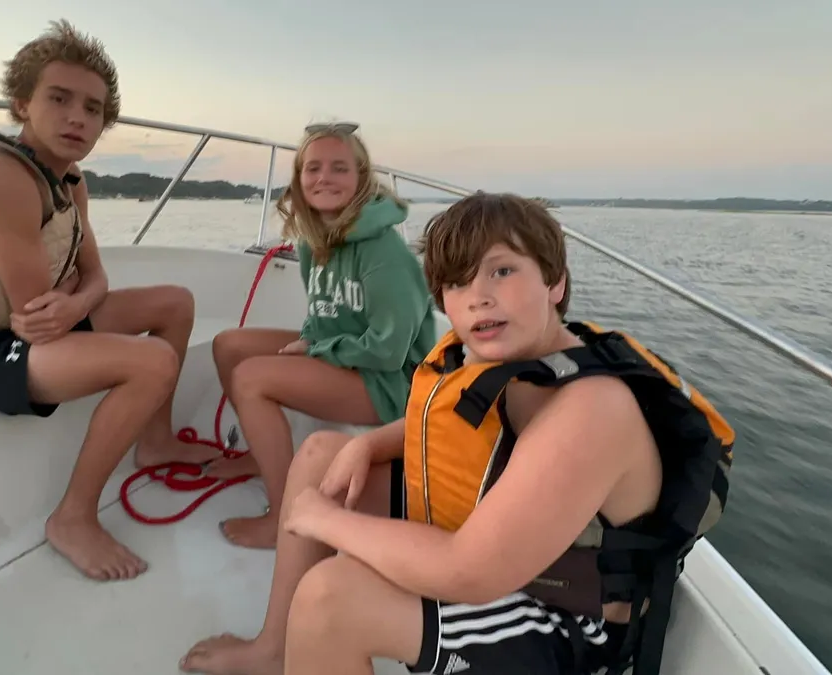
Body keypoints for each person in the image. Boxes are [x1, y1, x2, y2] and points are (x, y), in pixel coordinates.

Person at [179, 192, 735, 675]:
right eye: (456, 282)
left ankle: (313, 633)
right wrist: (364, 444)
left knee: (331, 599)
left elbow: (467, 570)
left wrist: (327, 521)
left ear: (555, 280)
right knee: (325, 454)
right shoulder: (515, 352)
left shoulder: (592, 407)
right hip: (515, 552)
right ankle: (277, 648)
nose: (477, 297)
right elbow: (443, 418)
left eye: (501, 270)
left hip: (572, 619)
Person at [0, 20, 206, 582]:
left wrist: (80, 303)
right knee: (151, 362)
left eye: (94, 108)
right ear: (22, 103)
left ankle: (155, 443)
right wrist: (77, 304)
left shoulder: (70, 180)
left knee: (174, 303)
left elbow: (95, 277)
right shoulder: (1, 176)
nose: (78, 117)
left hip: (28, 327)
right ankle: (73, 517)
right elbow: (39, 318)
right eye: (59, 99)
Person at [203, 122, 436, 549]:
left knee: (252, 378)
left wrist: (317, 347)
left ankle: (283, 516)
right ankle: (261, 454)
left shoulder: (383, 251)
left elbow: (389, 350)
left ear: (361, 179)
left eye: (339, 168)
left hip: (394, 382)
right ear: (299, 179)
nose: (324, 177)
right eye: (313, 168)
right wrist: (314, 339)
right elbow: (322, 313)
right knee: (229, 346)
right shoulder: (314, 242)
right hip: (347, 354)